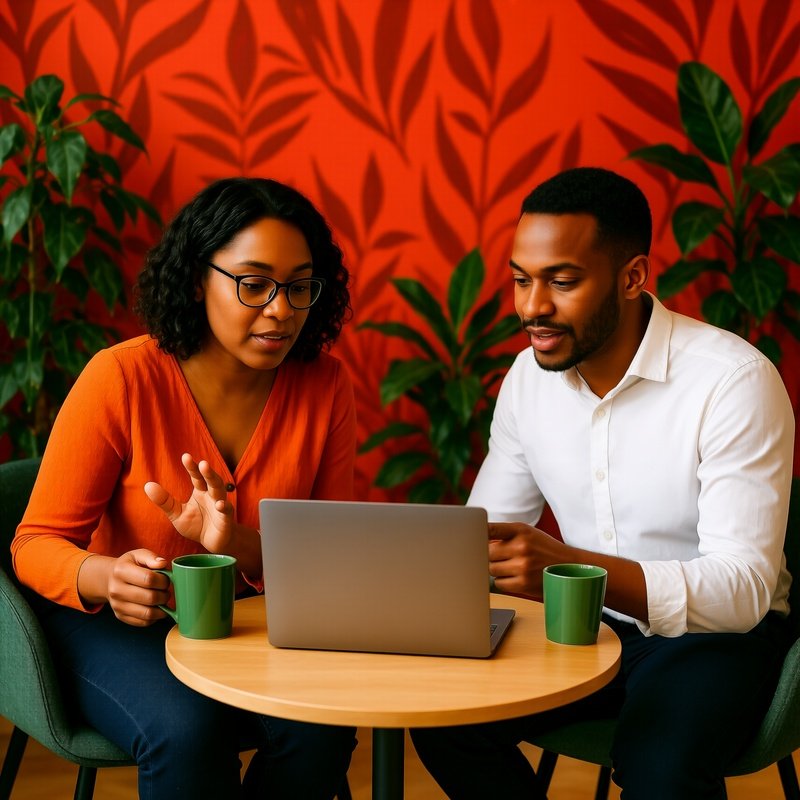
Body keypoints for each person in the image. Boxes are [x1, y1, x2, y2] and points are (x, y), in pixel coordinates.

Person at [410, 167, 795, 799]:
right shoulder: (528, 379)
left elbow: (743, 591)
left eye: (562, 282)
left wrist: (571, 568)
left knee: (658, 766)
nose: (532, 307)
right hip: (586, 627)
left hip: (715, 638)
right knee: (446, 721)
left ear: (633, 277)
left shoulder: (732, 381)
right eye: (521, 280)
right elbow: (479, 536)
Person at [12, 177, 358, 799]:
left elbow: (329, 558)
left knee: (322, 725)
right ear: (199, 279)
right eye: (253, 285)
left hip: (245, 624)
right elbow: (34, 542)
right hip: (110, 622)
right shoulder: (120, 377)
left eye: (301, 286)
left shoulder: (326, 386)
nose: (281, 310)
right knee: (189, 729)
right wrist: (104, 575)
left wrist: (241, 544)